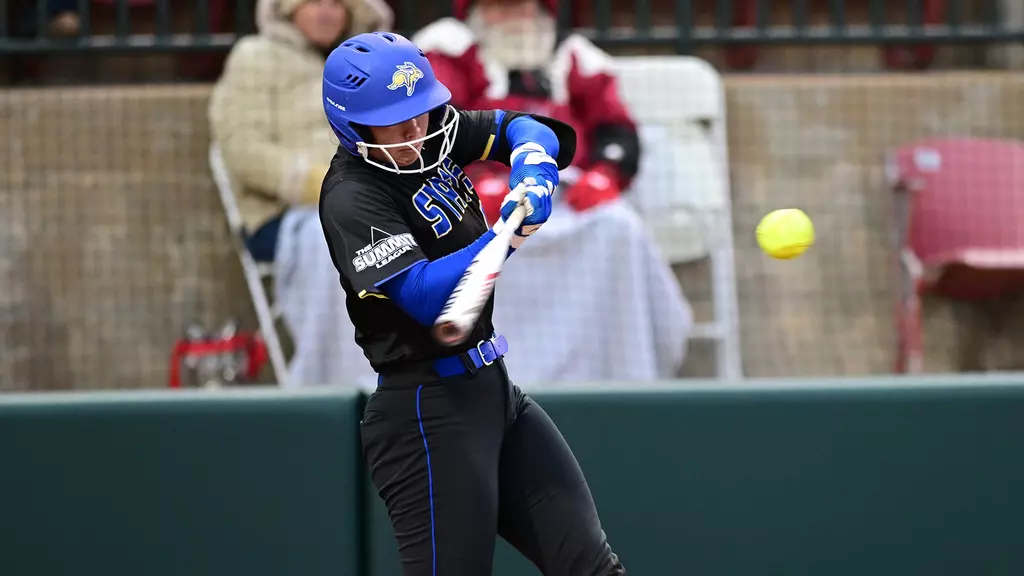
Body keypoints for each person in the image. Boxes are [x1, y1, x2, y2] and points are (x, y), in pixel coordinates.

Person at [319, 31, 627, 575]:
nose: (416, 129)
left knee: (590, 566)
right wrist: (504, 236)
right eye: (397, 119)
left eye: (421, 112)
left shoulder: (432, 133)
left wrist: (532, 166)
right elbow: (423, 296)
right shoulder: (353, 194)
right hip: (425, 413)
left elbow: (519, 127)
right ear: (353, 124)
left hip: (493, 392)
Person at [208, 0, 391, 388]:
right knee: (354, 242)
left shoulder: (368, 65)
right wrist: (320, 185)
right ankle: (345, 383)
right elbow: (242, 150)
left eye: (337, 4)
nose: (326, 12)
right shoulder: (255, 57)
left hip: (372, 204)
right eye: (314, 2)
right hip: (285, 214)